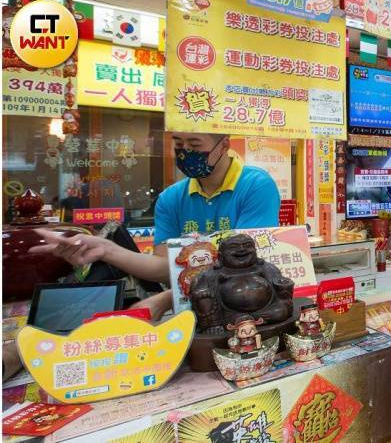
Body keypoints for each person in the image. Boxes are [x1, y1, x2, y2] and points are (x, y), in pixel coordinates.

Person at [29, 132, 280, 319]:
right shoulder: (171, 198)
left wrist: (167, 299)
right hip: (197, 313)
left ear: (224, 144)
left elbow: (246, 267)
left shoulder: (256, 186)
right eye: (178, 144)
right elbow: (164, 268)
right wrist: (106, 249)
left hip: (248, 309)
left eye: (194, 145)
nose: (185, 152)